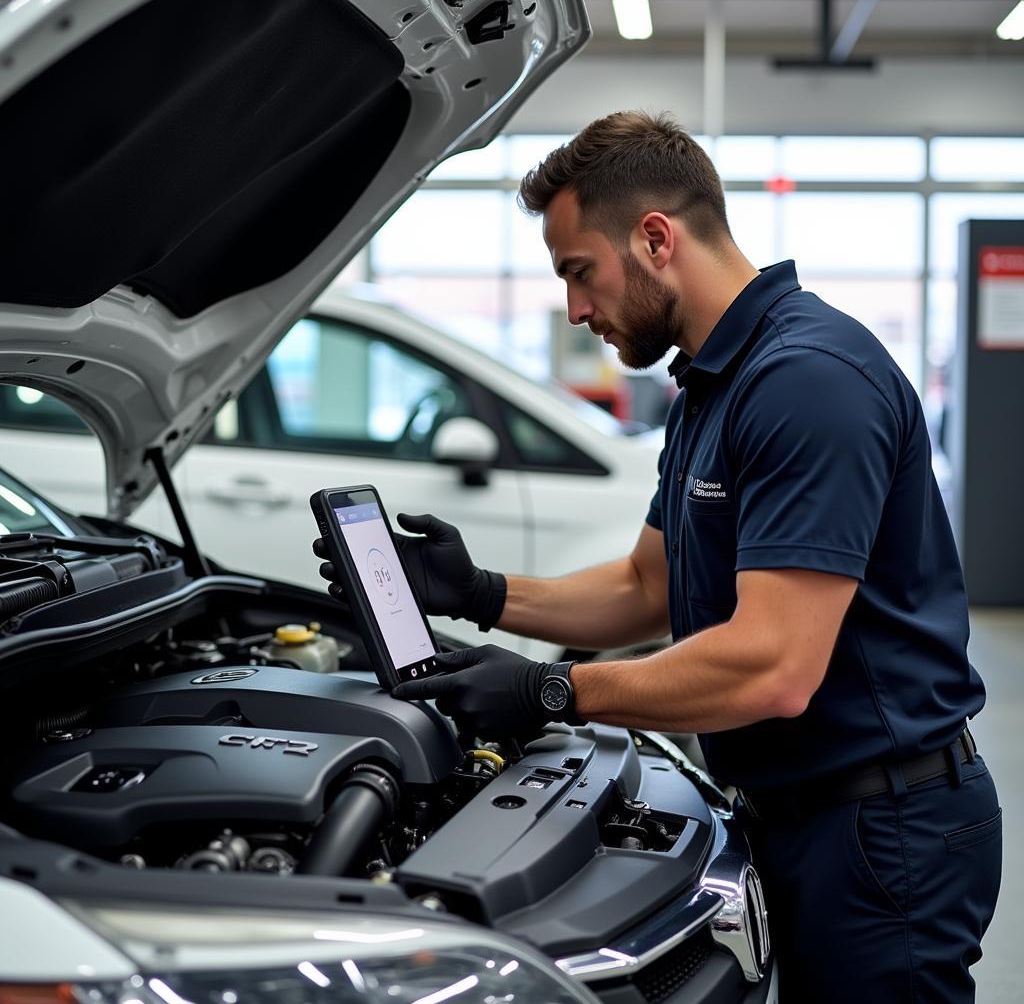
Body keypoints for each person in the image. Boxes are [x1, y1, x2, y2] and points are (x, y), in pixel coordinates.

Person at [314, 111, 1001, 1001]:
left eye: (579, 272)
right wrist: (480, 593)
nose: (576, 309)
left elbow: (773, 668)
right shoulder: (712, 385)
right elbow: (648, 584)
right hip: (802, 812)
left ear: (654, 238)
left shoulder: (808, 382)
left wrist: (549, 689)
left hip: (881, 826)